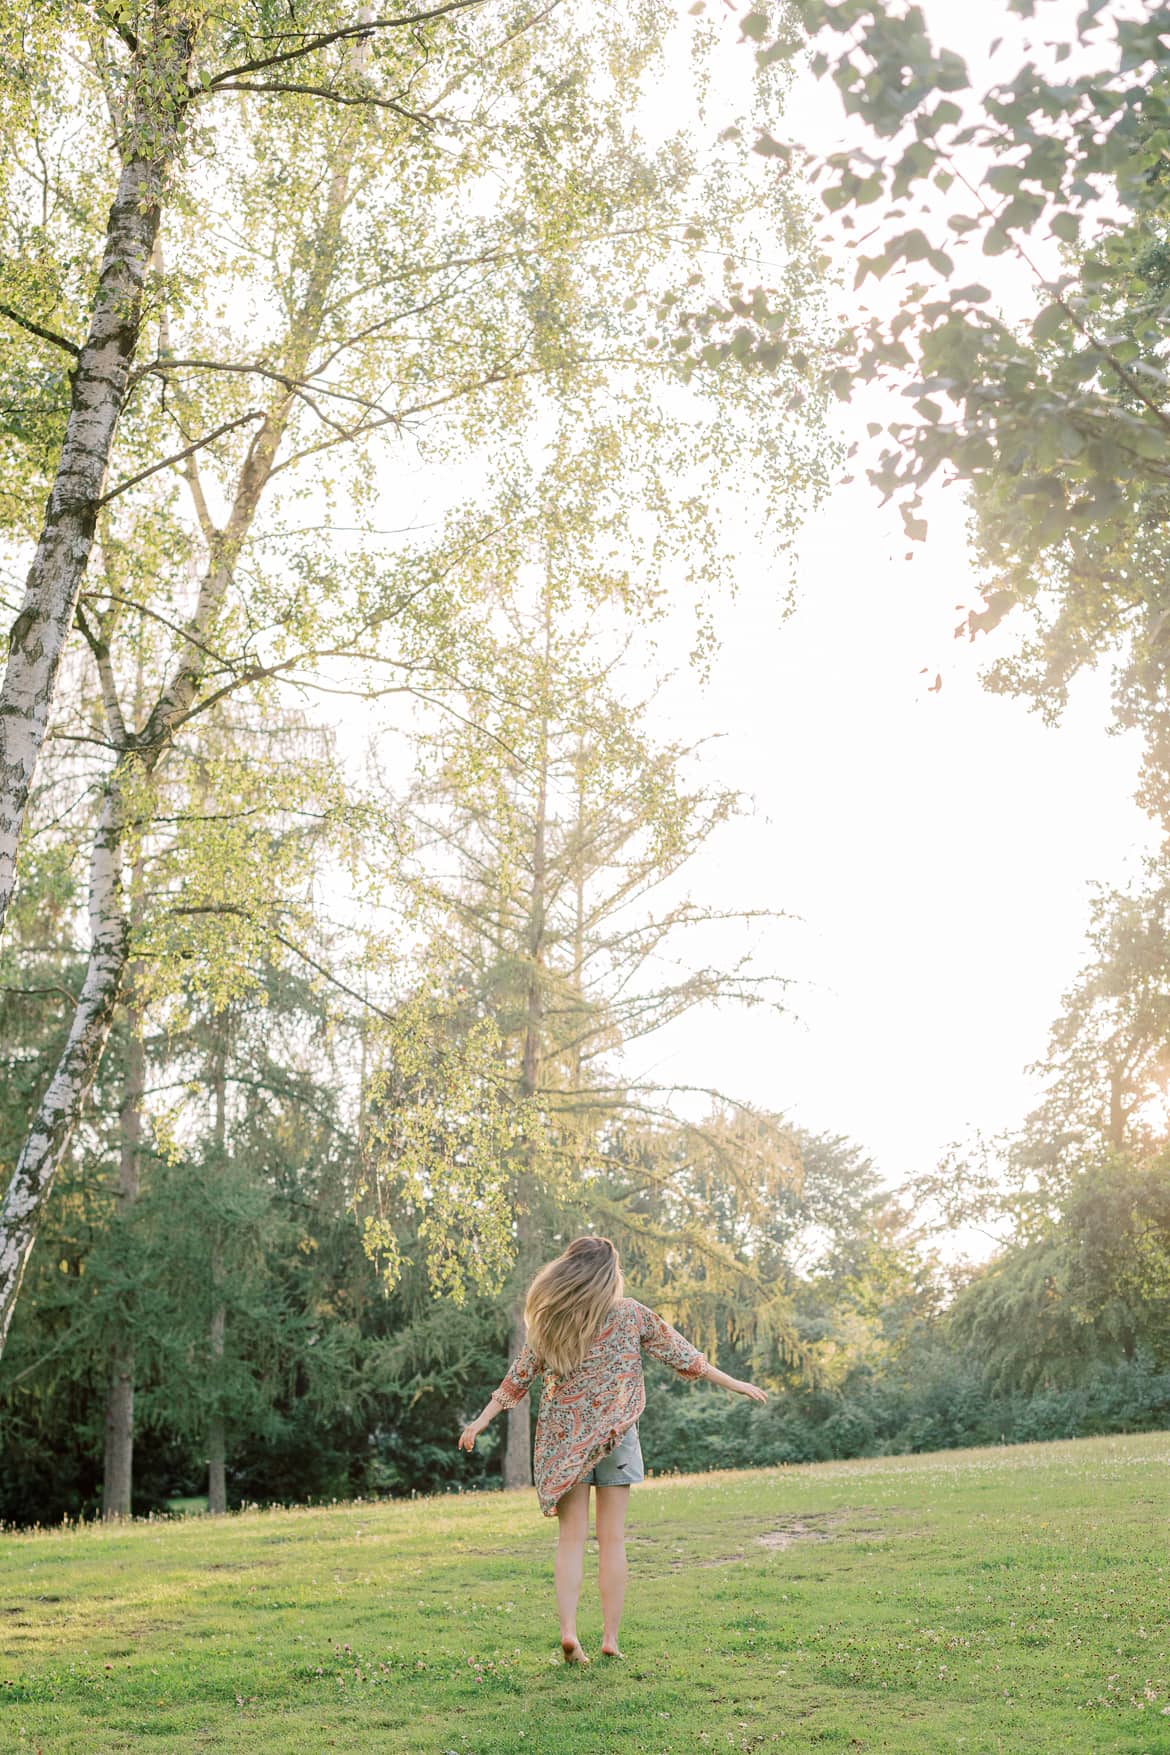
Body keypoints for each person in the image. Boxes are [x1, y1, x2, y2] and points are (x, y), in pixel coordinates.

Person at [456, 1235, 767, 1664]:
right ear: (609, 1273)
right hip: (617, 1439)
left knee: (570, 1540)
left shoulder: (552, 1323)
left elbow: (517, 1380)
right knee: (612, 1540)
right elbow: (684, 1356)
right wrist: (734, 1383)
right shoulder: (630, 1313)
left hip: (565, 1443)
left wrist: (480, 1421)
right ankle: (610, 1639)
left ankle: (569, 1633)